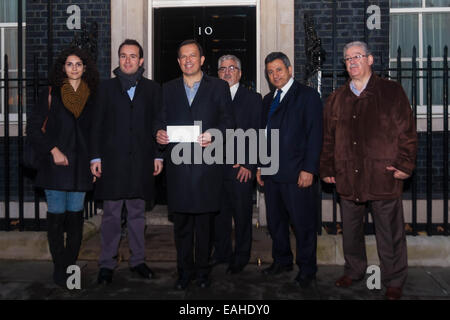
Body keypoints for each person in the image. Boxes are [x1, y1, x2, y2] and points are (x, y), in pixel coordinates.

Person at [319, 41, 417, 300]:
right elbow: (328, 138)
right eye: (348, 58)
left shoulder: (391, 91)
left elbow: (407, 132)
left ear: (370, 60)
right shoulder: (337, 98)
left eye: (357, 57)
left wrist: (405, 165)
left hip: (383, 174)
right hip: (348, 175)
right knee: (350, 230)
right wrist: (328, 167)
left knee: (390, 232)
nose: (352, 62)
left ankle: (394, 279)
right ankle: (354, 270)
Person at [156, 39, 234, 290]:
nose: (188, 60)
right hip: (178, 171)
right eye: (183, 57)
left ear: (201, 60)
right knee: (181, 227)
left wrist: (214, 135)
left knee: (204, 227)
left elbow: (228, 124)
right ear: (178, 62)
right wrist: (158, 135)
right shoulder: (167, 88)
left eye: (193, 55)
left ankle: (203, 272)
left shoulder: (219, 87)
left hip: (206, 169)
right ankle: (183, 272)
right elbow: (160, 122)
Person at [90, 39, 163, 284]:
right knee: (110, 215)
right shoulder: (105, 88)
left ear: (141, 61)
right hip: (112, 163)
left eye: (133, 56)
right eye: (123, 56)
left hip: (141, 163)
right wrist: (95, 157)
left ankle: (138, 261)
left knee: (137, 215)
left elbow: (157, 124)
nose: (128, 60)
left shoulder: (152, 89)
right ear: (118, 59)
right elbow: (96, 125)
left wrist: (157, 155)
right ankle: (106, 264)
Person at [27, 46, 99, 287]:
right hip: (55, 167)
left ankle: (69, 267)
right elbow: (34, 128)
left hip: (80, 168)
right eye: (70, 64)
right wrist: (53, 150)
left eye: (79, 63)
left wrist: (95, 160)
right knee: (57, 221)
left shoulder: (92, 95)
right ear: (62, 68)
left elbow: (95, 133)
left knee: (75, 221)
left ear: (85, 67)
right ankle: (60, 270)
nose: (74, 68)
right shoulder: (51, 93)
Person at [256, 52, 323, 289]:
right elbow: (263, 137)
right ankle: (282, 261)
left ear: (290, 69)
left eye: (279, 70)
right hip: (271, 173)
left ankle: (307, 269)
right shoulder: (267, 100)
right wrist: (260, 166)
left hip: (297, 174)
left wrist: (309, 169)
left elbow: (315, 136)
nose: (274, 75)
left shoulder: (307, 96)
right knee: (276, 222)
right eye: (270, 72)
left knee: (303, 224)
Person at [211, 54, 262, 274]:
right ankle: (221, 253)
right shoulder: (210, 97)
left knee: (242, 215)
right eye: (223, 69)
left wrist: (249, 164)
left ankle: (241, 256)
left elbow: (258, 134)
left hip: (240, 168)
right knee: (219, 215)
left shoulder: (253, 99)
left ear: (240, 73)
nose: (227, 72)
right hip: (214, 168)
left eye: (232, 68)